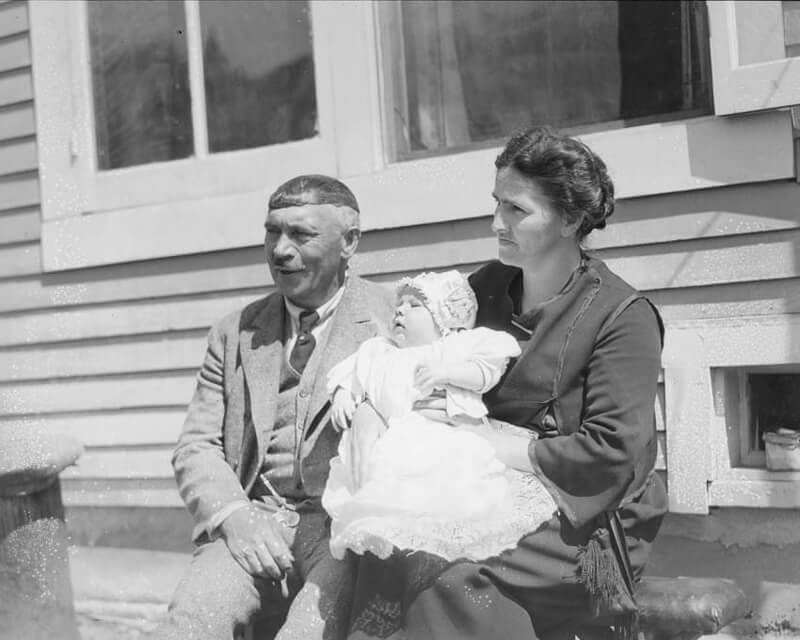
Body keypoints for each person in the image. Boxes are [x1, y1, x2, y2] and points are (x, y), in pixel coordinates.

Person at [346, 127, 667, 640]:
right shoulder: (482, 291)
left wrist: (492, 443)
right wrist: (369, 407)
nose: (497, 223)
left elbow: (614, 451)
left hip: (584, 517)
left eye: (517, 210)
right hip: (472, 487)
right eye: (497, 203)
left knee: (449, 572)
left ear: (571, 219)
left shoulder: (622, 316)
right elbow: (405, 353)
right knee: (388, 543)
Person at [148, 174, 394, 640]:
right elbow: (196, 447)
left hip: (345, 532)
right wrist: (234, 516)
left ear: (350, 242)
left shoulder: (393, 318)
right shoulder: (234, 332)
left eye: (301, 234)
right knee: (189, 623)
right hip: (254, 520)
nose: (280, 249)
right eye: (272, 231)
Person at [321, 270, 556, 563]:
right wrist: (344, 395)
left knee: (451, 500)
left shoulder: (452, 348)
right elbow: (350, 373)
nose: (400, 310)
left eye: (414, 305)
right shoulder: (379, 350)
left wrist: (447, 373)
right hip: (391, 449)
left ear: (446, 321)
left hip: (446, 441)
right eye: (399, 305)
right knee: (383, 509)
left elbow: (484, 372)